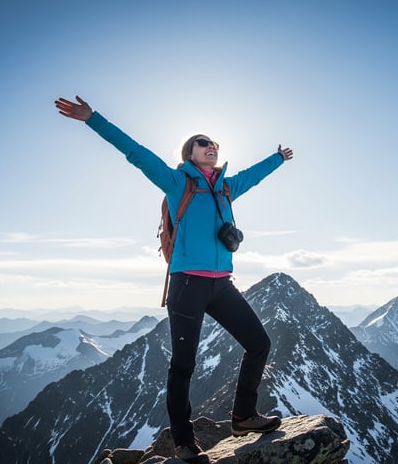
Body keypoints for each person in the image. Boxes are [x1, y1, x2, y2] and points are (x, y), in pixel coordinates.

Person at [55, 96, 294, 464]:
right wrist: (92, 119)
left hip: (222, 285)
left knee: (259, 343)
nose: (212, 147)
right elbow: (134, 151)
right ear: (189, 152)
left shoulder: (227, 187)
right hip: (187, 285)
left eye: (215, 144)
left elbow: (255, 176)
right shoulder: (176, 181)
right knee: (184, 365)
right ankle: (184, 443)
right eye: (204, 143)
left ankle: (244, 418)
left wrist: (278, 158)